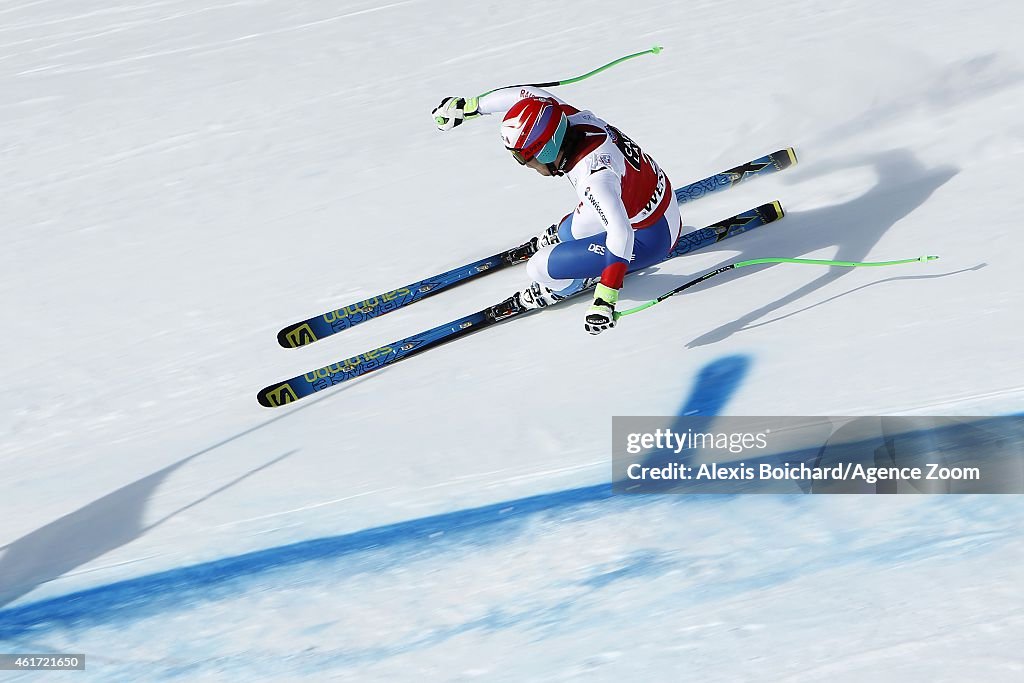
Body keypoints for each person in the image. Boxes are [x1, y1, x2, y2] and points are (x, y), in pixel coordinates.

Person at [432, 86, 681, 335]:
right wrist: (470, 107)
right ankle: (573, 247)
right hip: (650, 198)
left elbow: (621, 233)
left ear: (546, 150)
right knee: (568, 230)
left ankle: (563, 286)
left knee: (539, 267)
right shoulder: (561, 115)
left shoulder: (594, 178)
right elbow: (524, 93)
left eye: (523, 157)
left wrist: (605, 297)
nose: (525, 165)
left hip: (652, 238)